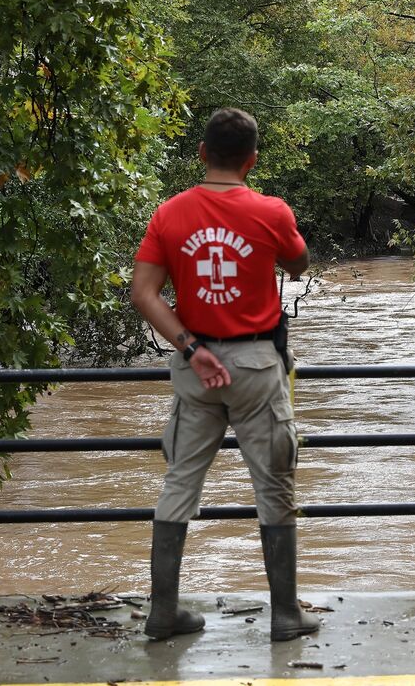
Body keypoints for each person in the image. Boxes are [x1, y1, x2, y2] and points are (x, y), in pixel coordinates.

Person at [130, 108, 317, 642]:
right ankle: (285, 615)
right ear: (252, 160)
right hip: (257, 366)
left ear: (202, 153)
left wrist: (191, 348)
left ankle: (164, 613)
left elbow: (145, 295)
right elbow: (299, 265)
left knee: (179, 484)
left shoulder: (168, 215)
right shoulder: (271, 211)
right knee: (274, 483)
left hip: (197, 367)